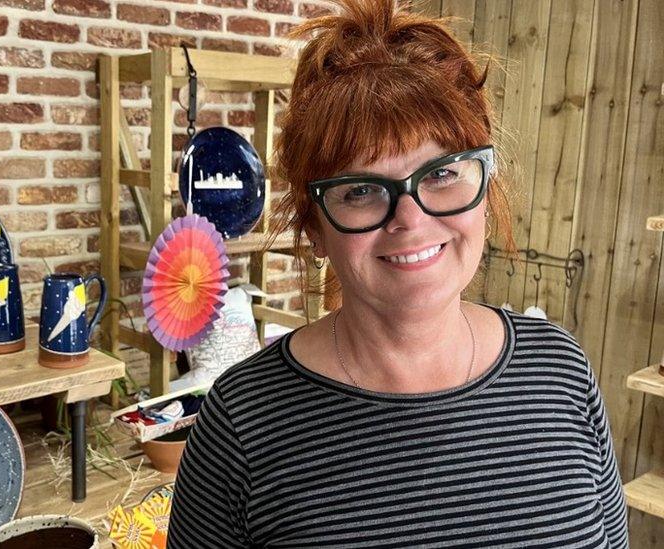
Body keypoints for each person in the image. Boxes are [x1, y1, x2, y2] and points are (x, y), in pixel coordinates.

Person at [167, 0, 629, 547]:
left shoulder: (560, 371)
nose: (410, 219)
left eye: (443, 173)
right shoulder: (243, 421)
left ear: (486, 185)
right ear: (314, 226)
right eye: (361, 190)